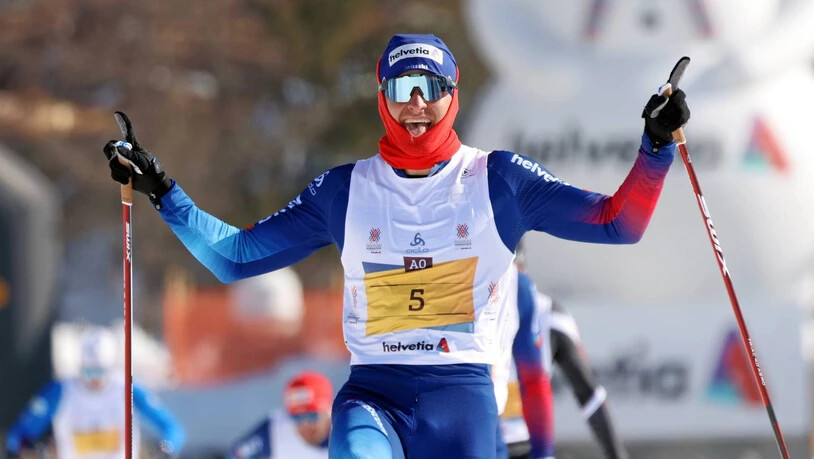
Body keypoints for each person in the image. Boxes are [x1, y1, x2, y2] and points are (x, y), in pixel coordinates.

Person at [102, 33, 689, 458]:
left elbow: (619, 222)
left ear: (452, 95)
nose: (417, 104)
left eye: (431, 88)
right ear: (383, 95)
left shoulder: (498, 181)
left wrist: (656, 146)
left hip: (462, 403)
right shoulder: (343, 190)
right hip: (373, 393)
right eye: (403, 87)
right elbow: (235, 257)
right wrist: (162, 191)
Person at [495, 242, 629, 459]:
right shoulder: (472, 306)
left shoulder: (549, 316)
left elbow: (589, 394)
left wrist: (617, 455)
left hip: (528, 443)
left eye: (515, 279)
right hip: (480, 440)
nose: (507, 292)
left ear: (523, 271)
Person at [3, 328, 185, 459]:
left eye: (100, 372)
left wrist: (165, 448)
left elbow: (172, 428)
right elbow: (17, 435)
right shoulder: (61, 391)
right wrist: (29, 448)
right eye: (89, 372)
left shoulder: (127, 389)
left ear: (111, 368)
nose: (94, 380)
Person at [229, 371, 332, 459]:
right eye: (296, 417)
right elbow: (235, 455)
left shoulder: (346, 432)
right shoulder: (275, 429)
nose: (305, 424)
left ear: (329, 409)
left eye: (312, 415)